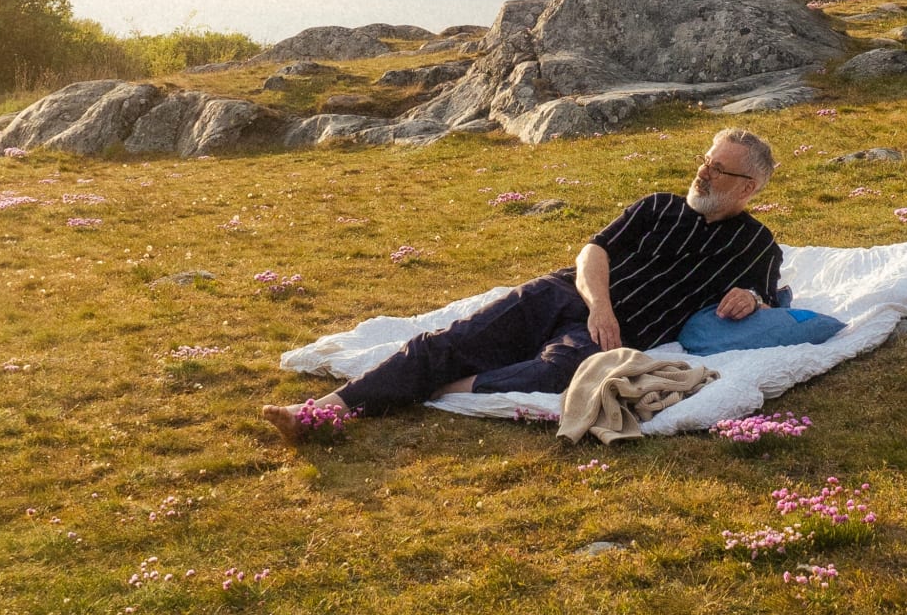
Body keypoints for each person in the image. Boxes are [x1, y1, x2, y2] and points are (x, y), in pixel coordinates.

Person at [261, 126, 782, 440]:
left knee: (558, 374)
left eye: (717, 170)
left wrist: (750, 297)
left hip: (610, 336)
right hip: (563, 296)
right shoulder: (658, 206)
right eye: (704, 162)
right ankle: (316, 413)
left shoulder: (757, 244)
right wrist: (599, 304)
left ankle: (436, 388)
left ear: (749, 186)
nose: (702, 174)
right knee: (449, 341)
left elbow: (768, 297)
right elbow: (593, 251)